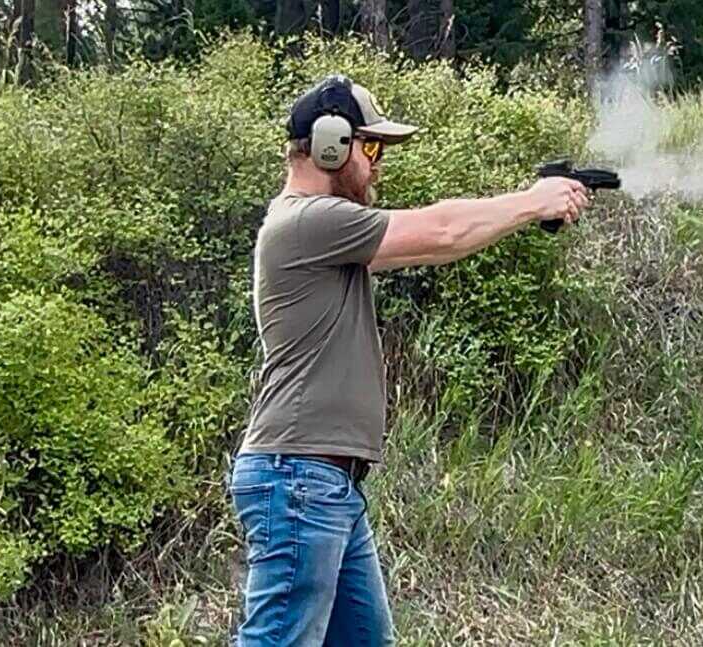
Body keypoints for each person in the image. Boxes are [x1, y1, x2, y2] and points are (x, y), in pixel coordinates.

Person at [230, 74, 589, 646]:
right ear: (330, 144)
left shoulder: (321, 233)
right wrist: (533, 201)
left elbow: (438, 243)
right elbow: (443, 230)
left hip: (327, 482)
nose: (377, 164)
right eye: (370, 147)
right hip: (299, 477)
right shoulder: (308, 221)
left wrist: (528, 203)